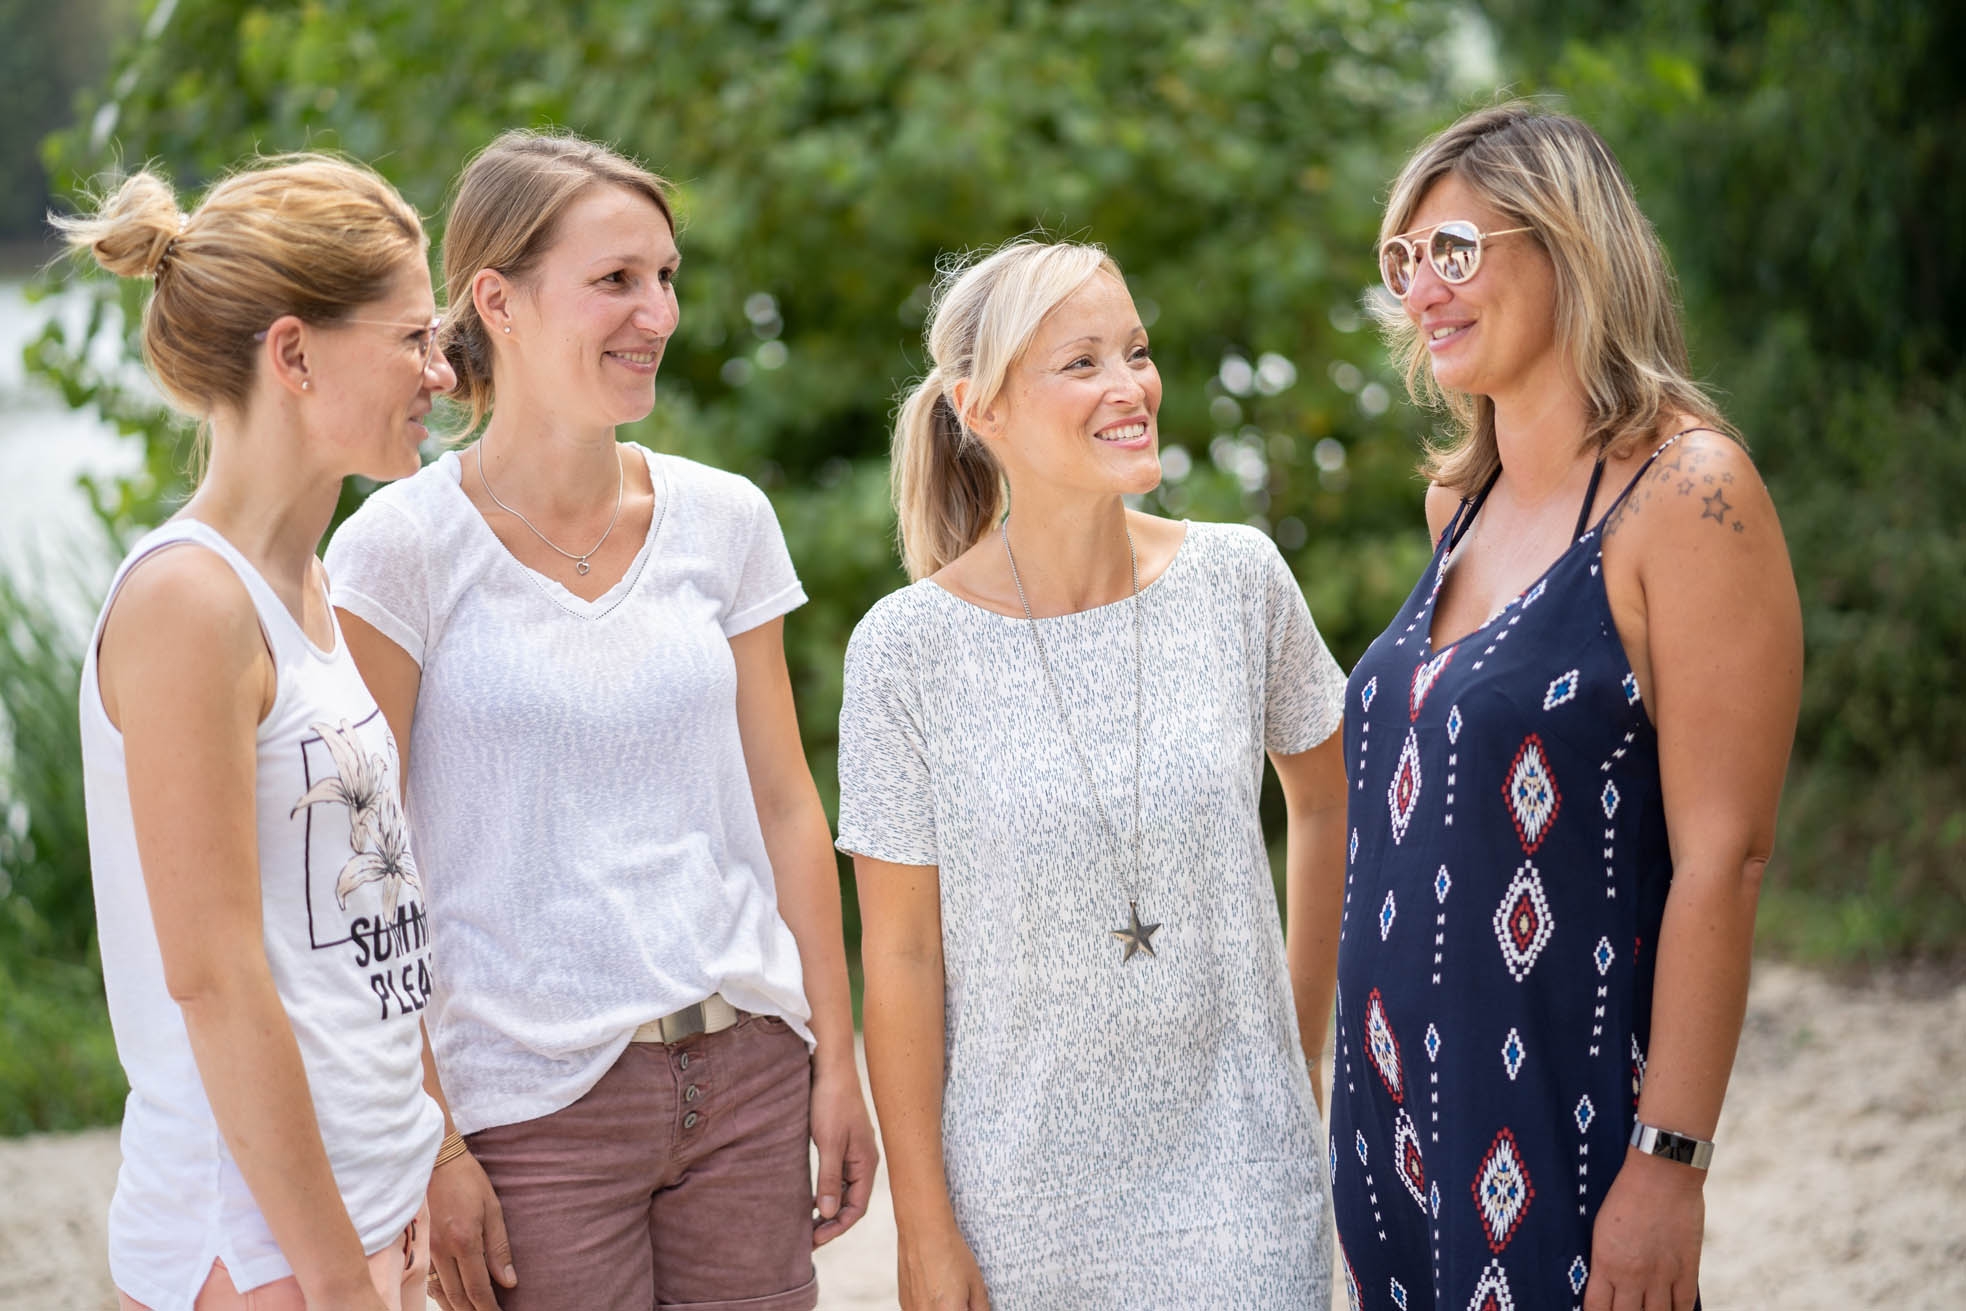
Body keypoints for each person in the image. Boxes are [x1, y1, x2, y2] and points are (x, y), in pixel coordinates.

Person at [323, 129, 876, 1311]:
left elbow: (785, 803)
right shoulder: (397, 551)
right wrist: (433, 1139)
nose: (659, 313)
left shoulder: (724, 522)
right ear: (498, 302)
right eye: (617, 280)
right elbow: (368, 872)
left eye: (667, 277)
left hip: (748, 1075)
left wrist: (836, 1060)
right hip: (526, 1114)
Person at [1329, 101, 1803, 1311]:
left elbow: (1724, 859)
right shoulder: (1457, 510)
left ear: (1565, 246)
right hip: (1394, 1129)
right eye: (1401, 260)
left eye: (1454, 251)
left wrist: (1670, 1164)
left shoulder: (1685, 492)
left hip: (1561, 1124)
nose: (1419, 290)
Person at [837, 239, 1350, 1309]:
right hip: (1017, 1199)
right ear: (981, 410)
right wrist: (924, 1231)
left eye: (1136, 352)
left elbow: (1329, 799)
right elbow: (900, 956)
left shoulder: (1238, 579)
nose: (1130, 389)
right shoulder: (905, 650)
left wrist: (1295, 1044)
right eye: (1081, 364)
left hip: (1244, 1175)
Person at [67, 155, 454, 1311]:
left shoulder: (312, 588)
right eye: (412, 340)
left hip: (352, 1218)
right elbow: (216, 981)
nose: (440, 372)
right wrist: (337, 1278)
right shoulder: (190, 603)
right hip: (257, 1250)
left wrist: (415, 1166)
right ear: (293, 355)